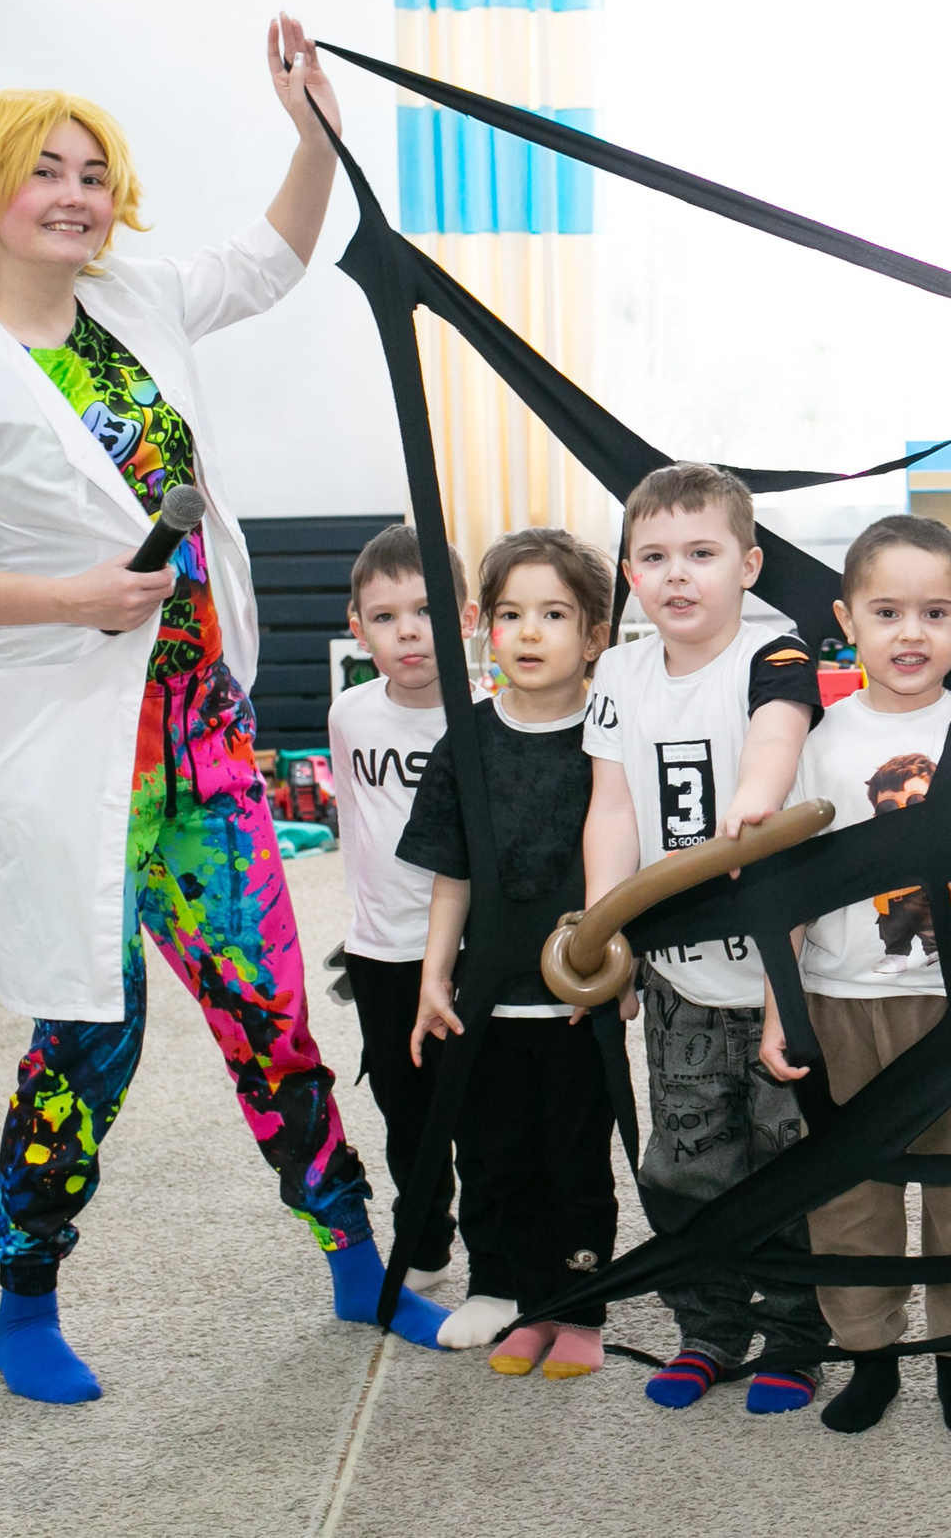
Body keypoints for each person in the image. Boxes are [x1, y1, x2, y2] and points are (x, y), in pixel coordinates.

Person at [0, 19, 453, 1404]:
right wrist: (68, 593)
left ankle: (353, 1261)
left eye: (93, 172)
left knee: (268, 1012)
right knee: (89, 1031)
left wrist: (310, 131)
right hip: (70, 757)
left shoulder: (130, 294)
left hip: (205, 740)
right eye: (46, 174)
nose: (76, 195)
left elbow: (270, 260)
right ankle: (27, 1299)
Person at [758, 514, 951, 1438]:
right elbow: (790, 892)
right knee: (850, 1201)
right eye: (887, 611)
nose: (910, 633)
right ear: (847, 620)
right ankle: (869, 1356)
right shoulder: (820, 741)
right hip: (840, 1004)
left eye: (934, 611)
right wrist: (776, 1009)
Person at [577, 461, 833, 1415]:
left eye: (701, 553)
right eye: (653, 556)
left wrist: (756, 803)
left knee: (786, 1154)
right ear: (630, 574)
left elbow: (777, 731)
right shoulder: (622, 669)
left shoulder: (774, 653)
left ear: (749, 564)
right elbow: (610, 806)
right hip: (678, 967)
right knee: (688, 1151)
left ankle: (797, 1333)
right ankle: (709, 1325)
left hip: (780, 962)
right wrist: (606, 929)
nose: (677, 575)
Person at [402, 529, 619, 1380]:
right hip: (485, 994)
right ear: (485, 627)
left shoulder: (608, 736)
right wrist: (432, 977)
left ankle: (577, 1308)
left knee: (576, 1158)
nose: (530, 632)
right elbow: (450, 877)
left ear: (594, 634)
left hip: (574, 999)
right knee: (494, 1153)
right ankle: (511, 1294)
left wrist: (614, 975)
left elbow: (625, 866)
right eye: (511, 614)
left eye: (554, 614)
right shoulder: (467, 740)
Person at [324, 524, 475, 1292]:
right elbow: (359, 825)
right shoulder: (349, 715)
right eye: (385, 616)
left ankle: (502, 1245)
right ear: (357, 628)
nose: (409, 630)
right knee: (404, 1107)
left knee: (481, 1108)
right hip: (381, 952)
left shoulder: (487, 716)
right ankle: (423, 1237)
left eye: (427, 609)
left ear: (469, 618)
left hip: (472, 951)